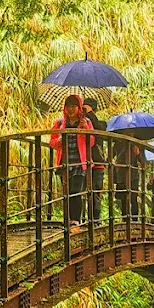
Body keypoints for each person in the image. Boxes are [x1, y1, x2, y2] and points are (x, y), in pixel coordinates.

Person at [49, 94, 94, 230]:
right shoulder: (60, 123)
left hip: (80, 163)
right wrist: (59, 141)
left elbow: (91, 142)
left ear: (79, 107)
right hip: (65, 163)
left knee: (75, 191)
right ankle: (67, 220)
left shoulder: (85, 122)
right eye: (68, 106)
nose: (70, 109)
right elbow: (52, 142)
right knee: (67, 192)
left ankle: (75, 220)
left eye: (74, 106)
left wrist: (85, 129)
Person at [84, 97, 107, 223]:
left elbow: (98, 131)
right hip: (83, 161)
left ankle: (95, 220)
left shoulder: (101, 124)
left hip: (97, 162)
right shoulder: (81, 122)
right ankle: (82, 219)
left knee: (95, 192)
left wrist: (90, 115)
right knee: (80, 192)